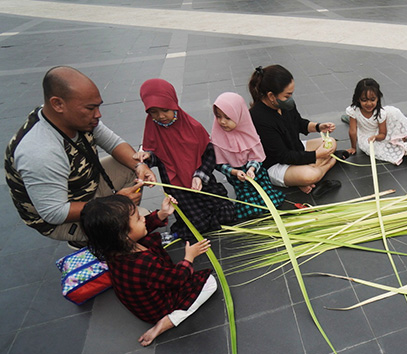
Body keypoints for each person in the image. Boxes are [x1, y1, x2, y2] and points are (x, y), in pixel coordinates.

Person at [5, 66, 156, 244]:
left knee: (130, 164)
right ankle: (91, 238)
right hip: (60, 219)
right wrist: (115, 203)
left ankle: (120, 222)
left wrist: (140, 166)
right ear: (57, 104)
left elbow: (114, 143)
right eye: (90, 108)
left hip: (82, 188)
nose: (98, 114)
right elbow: (54, 213)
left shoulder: (69, 117)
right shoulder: (40, 151)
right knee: (142, 224)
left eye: (98, 106)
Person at [82, 195, 216, 346]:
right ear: (123, 235)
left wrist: (162, 214)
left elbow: (144, 228)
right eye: (138, 218)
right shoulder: (144, 263)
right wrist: (189, 258)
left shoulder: (113, 246)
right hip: (158, 308)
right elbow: (177, 279)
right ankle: (167, 322)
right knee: (210, 283)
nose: (144, 219)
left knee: (145, 237)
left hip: (141, 301)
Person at [134, 78, 236, 240]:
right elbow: (153, 156)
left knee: (227, 212)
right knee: (197, 225)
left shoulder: (193, 127)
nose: (161, 116)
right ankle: (190, 226)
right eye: (153, 112)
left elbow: (210, 154)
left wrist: (199, 176)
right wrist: (146, 158)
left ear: (174, 104)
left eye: (165, 110)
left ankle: (203, 221)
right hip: (179, 190)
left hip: (203, 184)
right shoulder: (153, 129)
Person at [249, 65, 345, 196]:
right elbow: (283, 156)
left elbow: (299, 123)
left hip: (295, 148)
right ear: (271, 95)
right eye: (287, 95)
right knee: (309, 175)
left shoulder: (284, 104)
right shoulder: (258, 117)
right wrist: (317, 155)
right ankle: (330, 162)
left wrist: (318, 127)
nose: (290, 98)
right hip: (277, 163)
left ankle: (306, 173)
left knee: (331, 142)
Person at [211, 92, 285, 219]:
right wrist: (234, 172)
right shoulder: (217, 137)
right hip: (239, 179)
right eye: (218, 116)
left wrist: (251, 168)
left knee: (270, 200)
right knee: (250, 208)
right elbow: (218, 163)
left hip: (257, 174)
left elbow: (257, 156)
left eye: (227, 118)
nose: (222, 122)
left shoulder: (249, 133)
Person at [345, 78, 407, 165]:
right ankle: (399, 143)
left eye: (372, 99)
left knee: (393, 112)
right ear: (358, 99)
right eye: (364, 100)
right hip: (367, 137)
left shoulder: (380, 113)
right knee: (374, 148)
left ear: (378, 98)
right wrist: (353, 147)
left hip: (379, 134)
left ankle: (401, 139)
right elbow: (353, 131)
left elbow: (383, 134)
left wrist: (376, 137)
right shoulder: (353, 111)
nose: (369, 104)